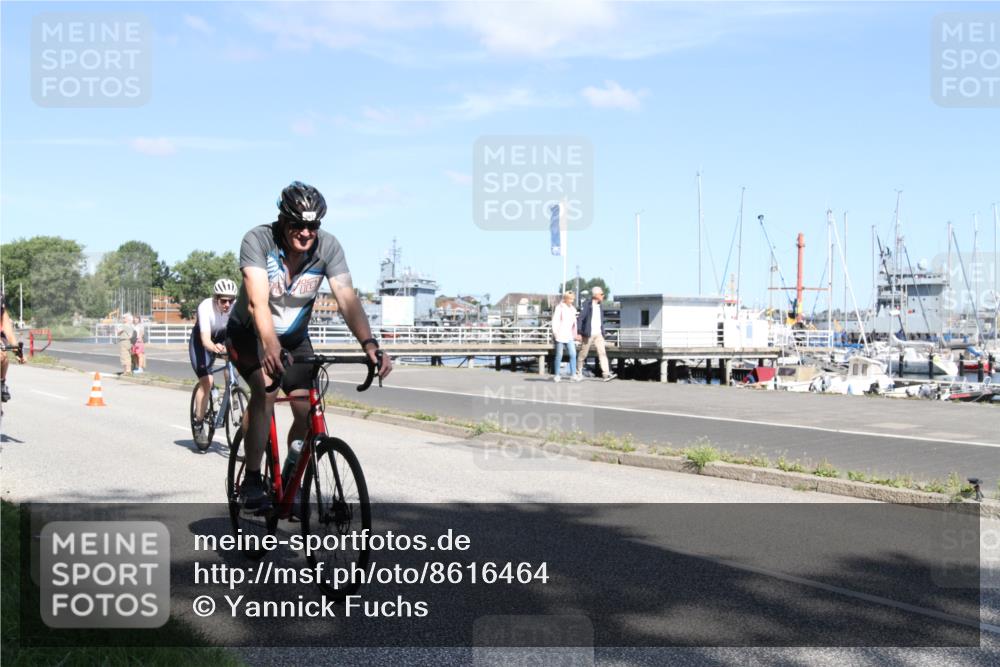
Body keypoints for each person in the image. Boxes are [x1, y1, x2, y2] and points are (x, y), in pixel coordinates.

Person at [228, 181, 392, 511]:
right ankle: (253, 479)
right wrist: (270, 345)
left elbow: (346, 298)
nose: (305, 233)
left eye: (313, 226)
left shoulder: (327, 247)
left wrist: (370, 344)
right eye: (297, 225)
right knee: (265, 392)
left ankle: (289, 479)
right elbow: (257, 302)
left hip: (294, 338)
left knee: (306, 412)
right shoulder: (258, 240)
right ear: (282, 220)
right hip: (251, 334)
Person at [189, 278, 238, 447]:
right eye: (223, 300)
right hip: (201, 341)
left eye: (231, 300)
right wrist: (214, 348)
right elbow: (205, 340)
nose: (227, 304)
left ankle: (232, 394)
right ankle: (198, 423)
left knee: (233, 369)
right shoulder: (205, 307)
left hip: (222, 336)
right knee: (207, 381)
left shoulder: (234, 307)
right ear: (216, 298)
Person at [576, 286, 616, 381]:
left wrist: (603, 331)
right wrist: (579, 332)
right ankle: (578, 372)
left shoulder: (600, 306)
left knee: (602, 353)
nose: (603, 296)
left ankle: (606, 374)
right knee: (583, 354)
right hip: (588, 333)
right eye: (601, 294)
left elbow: (601, 320)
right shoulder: (587, 305)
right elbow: (580, 318)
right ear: (596, 295)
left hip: (599, 334)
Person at [551, 290, 581, 382]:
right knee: (559, 355)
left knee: (573, 354)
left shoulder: (573, 309)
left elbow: (574, 323)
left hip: (569, 335)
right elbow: (555, 320)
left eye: (573, 299)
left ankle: (573, 374)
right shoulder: (559, 307)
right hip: (560, 334)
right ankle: (557, 375)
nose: (572, 301)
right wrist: (555, 332)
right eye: (570, 299)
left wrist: (575, 334)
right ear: (566, 299)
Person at [1, 292, 25, 402]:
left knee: (2, 353)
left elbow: (9, 335)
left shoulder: (3, 313)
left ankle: (2, 383)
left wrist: (18, 353)